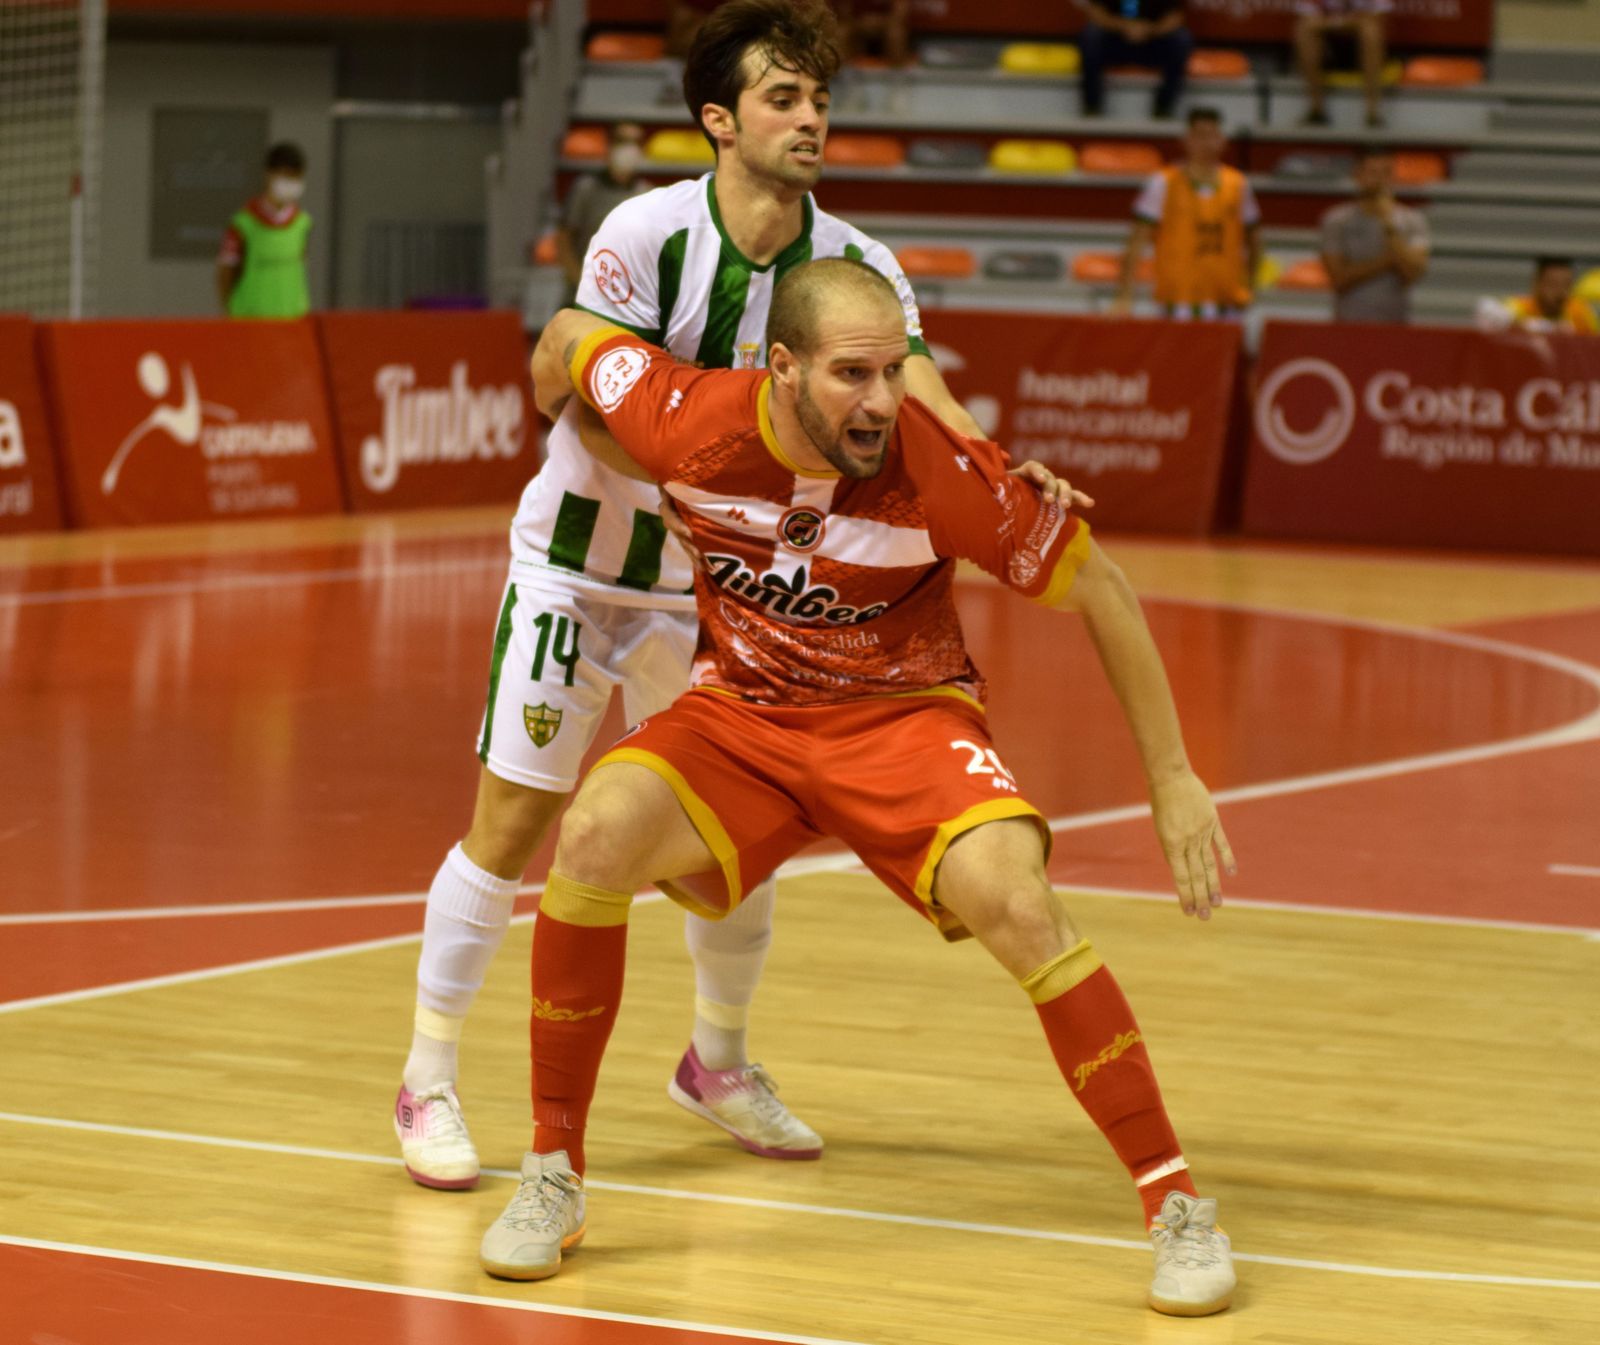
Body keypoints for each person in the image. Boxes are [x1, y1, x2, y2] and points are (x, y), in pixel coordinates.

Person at [479, 261, 1239, 1319]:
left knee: (1019, 902)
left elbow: (1103, 588)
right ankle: (552, 1172)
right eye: (851, 374)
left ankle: (1176, 1206)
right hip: (744, 718)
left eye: (893, 371)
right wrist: (571, 417)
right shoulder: (683, 417)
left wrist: (1171, 779)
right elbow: (568, 336)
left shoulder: (948, 475)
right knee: (594, 833)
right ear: (779, 368)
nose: (881, 401)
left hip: (903, 719)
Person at [391, 0, 991, 1193]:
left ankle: (715, 1063)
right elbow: (576, 399)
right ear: (720, 119)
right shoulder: (645, 235)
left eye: (819, 98)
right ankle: (430, 1078)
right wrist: (724, 475)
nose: (809, 115)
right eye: (783, 97)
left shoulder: (859, 265)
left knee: (731, 849)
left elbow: (921, 401)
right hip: (580, 562)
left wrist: (994, 473)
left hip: (724, 598)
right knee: (513, 824)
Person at [1113, 107, 1261, 319]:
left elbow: (1254, 239)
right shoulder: (1163, 182)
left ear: (1222, 140)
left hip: (1227, 301)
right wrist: (1125, 296)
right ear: (1186, 140)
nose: (1207, 143)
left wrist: (1251, 284)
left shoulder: (1238, 184)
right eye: (1200, 136)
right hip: (1177, 302)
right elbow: (1136, 242)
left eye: (1213, 135)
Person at [1319, 145, 1428, 324]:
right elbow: (1339, 279)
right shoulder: (1336, 220)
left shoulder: (1413, 220)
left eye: (1386, 172)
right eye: (1372, 172)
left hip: (1396, 323)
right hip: (1348, 323)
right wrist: (1388, 261)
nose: (1379, 180)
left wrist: (1389, 226)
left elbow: (1413, 273)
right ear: (1357, 174)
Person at [555, 122, 649, 308]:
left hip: (628, 300)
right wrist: (584, 283)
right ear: (609, 146)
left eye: (636, 142)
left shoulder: (647, 192)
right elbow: (563, 241)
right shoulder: (585, 190)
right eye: (623, 141)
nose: (630, 148)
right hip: (582, 294)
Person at [216, 142, 312, 319]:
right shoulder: (243, 224)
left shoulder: (302, 223)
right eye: (286, 175)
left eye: (296, 177)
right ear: (269, 175)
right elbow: (225, 273)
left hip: (292, 320)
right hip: (251, 321)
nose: (291, 182)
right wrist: (229, 309)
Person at [1076, 0, 1193, 120]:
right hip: (1116, 42)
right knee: (1091, 35)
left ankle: (1163, 106)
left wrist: (1149, 29)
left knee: (1181, 39)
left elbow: (1175, 17)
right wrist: (1124, 26)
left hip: (1152, 43)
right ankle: (1092, 105)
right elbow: (1095, 13)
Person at [1295, 0, 1390, 129]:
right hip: (1329, 50)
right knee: (1304, 31)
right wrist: (1345, 23)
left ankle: (1373, 113)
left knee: (1371, 32)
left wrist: (1333, 22)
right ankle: (1316, 110)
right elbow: (1309, 21)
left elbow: (1376, 18)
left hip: (1360, 50)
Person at [1477, 256, 1600, 335]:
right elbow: (1492, 319)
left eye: (1566, 285)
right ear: (1537, 284)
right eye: (1553, 284)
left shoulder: (1580, 312)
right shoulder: (1519, 307)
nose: (1560, 292)